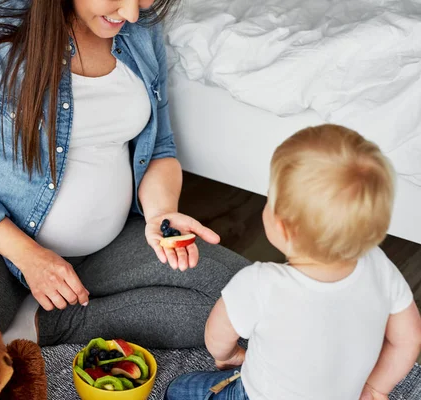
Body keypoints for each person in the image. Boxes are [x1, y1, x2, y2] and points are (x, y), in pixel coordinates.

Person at [0, 0, 251, 396]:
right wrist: (30, 259)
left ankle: (46, 321)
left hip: (107, 246)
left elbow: (160, 148)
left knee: (251, 303)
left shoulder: (139, 29)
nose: (131, 14)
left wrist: (160, 213)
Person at [165, 124, 421, 400]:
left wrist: (229, 355)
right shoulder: (379, 265)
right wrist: (376, 387)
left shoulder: (259, 283)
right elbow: (408, 338)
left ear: (282, 226)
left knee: (179, 389)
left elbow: (217, 338)